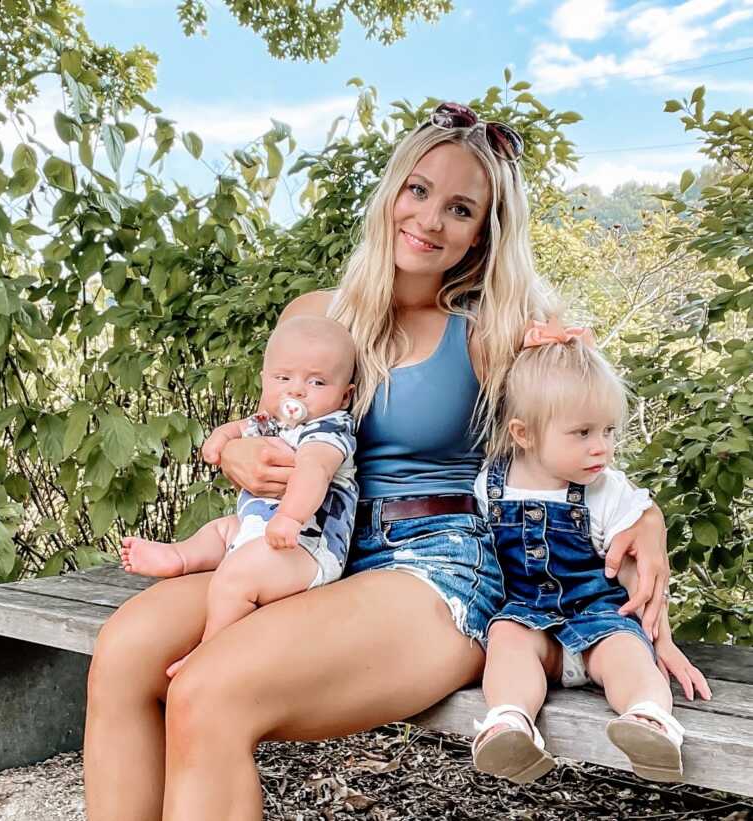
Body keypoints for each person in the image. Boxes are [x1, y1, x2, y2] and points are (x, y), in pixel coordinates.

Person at [83, 101, 673, 821]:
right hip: (313, 547)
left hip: (436, 565)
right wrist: (234, 448)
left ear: (483, 233)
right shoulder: (318, 313)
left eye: (461, 208)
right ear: (392, 190)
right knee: (122, 651)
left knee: (208, 692)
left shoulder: (490, 331)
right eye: (419, 190)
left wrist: (645, 513)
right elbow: (274, 421)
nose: (429, 219)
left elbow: (579, 426)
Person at [471, 322, 711, 784]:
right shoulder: (491, 483)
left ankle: (648, 719)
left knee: (627, 654)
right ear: (523, 434)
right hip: (531, 625)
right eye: (581, 432)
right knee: (507, 638)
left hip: (600, 620)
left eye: (607, 430)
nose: (601, 447)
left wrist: (663, 642)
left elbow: (640, 582)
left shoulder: (606, 492)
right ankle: (509, 722)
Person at [119, 316, 358, 677]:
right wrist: (220, 440)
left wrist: (290, 518)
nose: (296, 391)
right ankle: (180, 556)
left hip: (306, 547)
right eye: (283, 378)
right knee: (222, 530)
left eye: (317, 381)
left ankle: (210, 648)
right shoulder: (276, 420)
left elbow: (314, 472)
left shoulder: (330, 429)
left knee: (234, 578)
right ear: (265, 380)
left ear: (345, 395)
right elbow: (239, 428)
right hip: (261, 531)